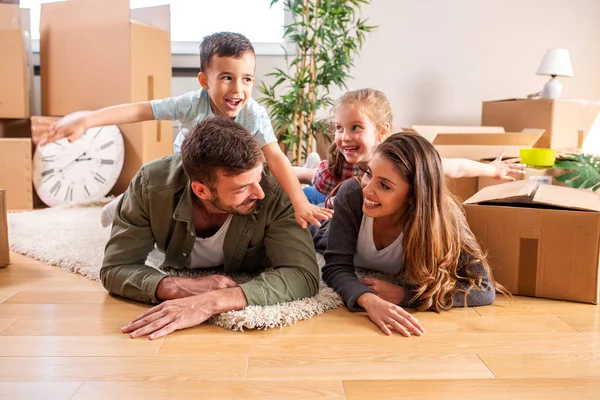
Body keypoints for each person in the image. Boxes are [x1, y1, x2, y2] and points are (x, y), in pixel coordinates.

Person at [32, 32, 332, 229]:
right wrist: (87, 120)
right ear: (204, 81)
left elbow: (274, 156)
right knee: (158, 181)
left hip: (234, 170)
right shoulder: (191, 104)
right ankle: (121, 205)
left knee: (265, 174)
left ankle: (306, 173)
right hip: (191, 166)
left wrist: (300, 201)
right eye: (227, 77)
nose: (238, 89)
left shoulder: (253, 114)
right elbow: (140, 110)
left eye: (247, 79)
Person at [101, 117, 320, 339]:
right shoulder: (150, 185)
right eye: (243, 188)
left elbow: (303, 274)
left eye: (258, 177)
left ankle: (311, 172)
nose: (259, 193)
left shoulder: (275, 188)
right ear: (201, 190)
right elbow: (115, 268)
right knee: (113, 217)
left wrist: (212, 301)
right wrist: (179, 287)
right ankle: (113, 208)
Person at [313, 132, 509, 336]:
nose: (367, 189)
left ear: (413, 196)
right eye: (369, 173)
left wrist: (404, 295)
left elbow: (484, 289)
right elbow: (335, 267)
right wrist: (368, 300)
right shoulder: (352, 194)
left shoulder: (445, 219)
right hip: (325, 220)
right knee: (302, 210)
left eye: (384, 185)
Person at [302, 88, 523, 207]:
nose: (345, 137)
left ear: (381, 131)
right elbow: (306, 175)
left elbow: (451, 167)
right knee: (310, 194)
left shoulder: (401, 160)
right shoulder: (337, 167)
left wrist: (492, 170)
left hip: (353, 207)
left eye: (356, 127)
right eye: (339, 128)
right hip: (331, 199)